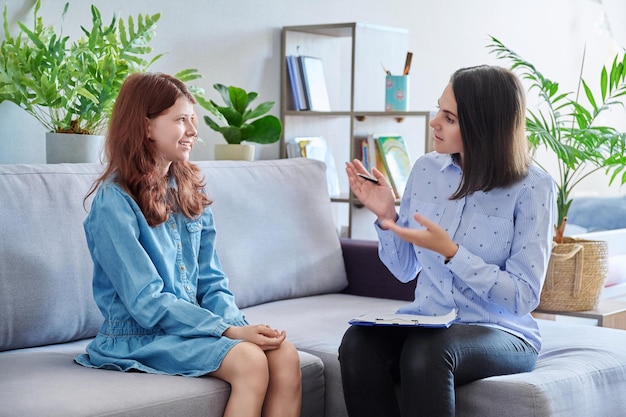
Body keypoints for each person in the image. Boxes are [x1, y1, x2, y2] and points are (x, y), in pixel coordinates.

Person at [75, 72, 301, 417]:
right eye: (181, 120)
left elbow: (211, 282)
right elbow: (146, 301)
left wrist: (237, 324)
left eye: (192, 120)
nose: (194, 131)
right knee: (249, 361)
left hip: (189, 327)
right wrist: (228, 331)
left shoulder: (189, 192)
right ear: (146, 126)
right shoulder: (114, 203)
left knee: (284, 355)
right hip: (139, 337)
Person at [339, 65, 556, 417]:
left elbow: (522, 297)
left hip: (502, 331)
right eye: (439, 109)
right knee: (358, 344)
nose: (434, 122)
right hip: (429, 320)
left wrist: (453, 253)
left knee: (428, 352)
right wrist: (386, 218)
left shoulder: (533, 186)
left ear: (483, 125)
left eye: (449, 117)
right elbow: (404, 270)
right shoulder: (426, 170)